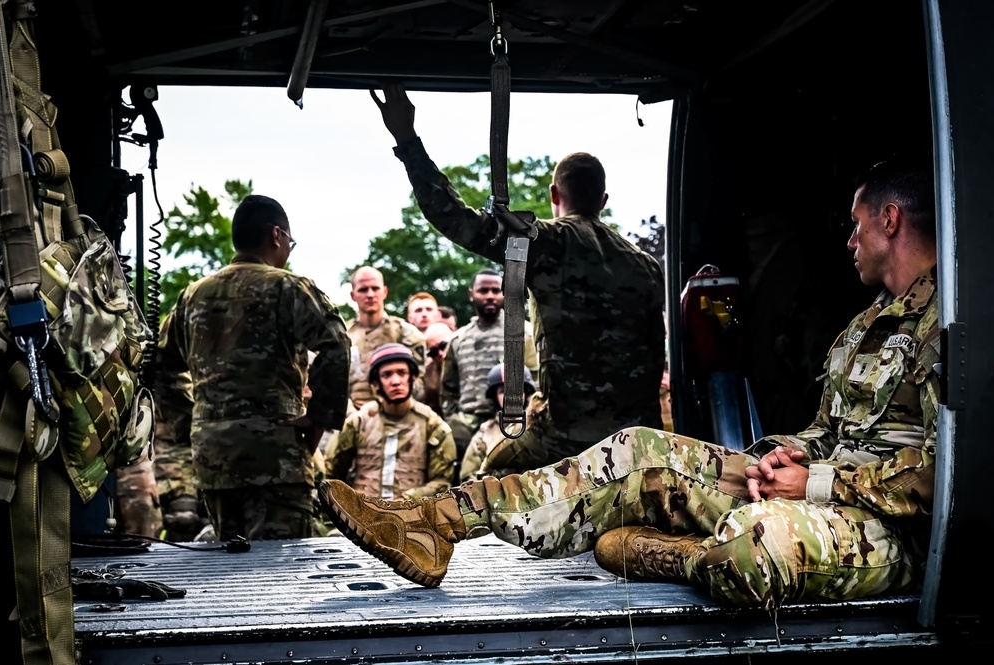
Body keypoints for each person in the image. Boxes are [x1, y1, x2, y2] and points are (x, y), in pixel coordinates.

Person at [319, 159, 939, 609]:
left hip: (892, 527)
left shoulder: (947, 322)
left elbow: (951, 470)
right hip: (822, 489)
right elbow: (833, 429)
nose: (849, 239)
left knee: (756, 546)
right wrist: (791, 453)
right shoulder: (867, 324)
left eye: (857, 224)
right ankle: (434, 523)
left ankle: (676, 551)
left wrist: (819, 480)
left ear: (890, 220)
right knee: (637, 448)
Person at [370, 83, 665, 470]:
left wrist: (407, 139)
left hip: (567, 434)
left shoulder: (545, 242)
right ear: (603, 200)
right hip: (639, 438)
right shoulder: (647, 264)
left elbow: (454, 218)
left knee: (493, 477)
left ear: (554, 195)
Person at [157, 195, 351, 541]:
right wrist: (319, 415)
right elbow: (336, 344)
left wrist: (192, 424)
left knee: (227, 571)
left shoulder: (191, 296)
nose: (289, 250)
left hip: (214, 460)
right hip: (275, 457)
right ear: (276, 236)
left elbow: (159, 366)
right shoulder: (287, 287)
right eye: (290, 241)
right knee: (281, 574)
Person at [326, 344, 456, 500]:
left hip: (412, 517)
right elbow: (331, 475)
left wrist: (406, 502)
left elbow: (441, 482)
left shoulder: (433, 425)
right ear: (376, 383)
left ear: (412, 378)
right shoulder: (358, 422)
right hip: (360, 517)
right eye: (387, 375)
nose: (396, 381)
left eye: (402, 373)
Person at [442, 269, 539, 459]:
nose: (490, 296)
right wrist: (453, 419)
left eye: (496, 290)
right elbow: (448, 388)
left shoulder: (522, 333)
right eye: (483, 291)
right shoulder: (458, 339)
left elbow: (535, 382)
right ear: (471, 295)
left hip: (511, 423)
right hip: (467, 426)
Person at [346, 266, 427, 408]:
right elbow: (332, 381)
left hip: (397, 415)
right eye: (363, 290)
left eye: (375, 288)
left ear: (385, 291)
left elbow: (419, 381)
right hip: (351, 418)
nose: (370, 295)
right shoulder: (343, 336)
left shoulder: (405, 333)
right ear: (353, 295)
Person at [459, 364, 537, 482]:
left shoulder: (538, 425)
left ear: (526, 393)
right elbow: (468, 477)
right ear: (495, 397)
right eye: (503, 391)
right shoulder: (485, 433)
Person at [422, 321, 453, 416]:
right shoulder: (426, 373)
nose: (440, 353)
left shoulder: (468, 363)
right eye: (433, 352)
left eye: (444, 346)